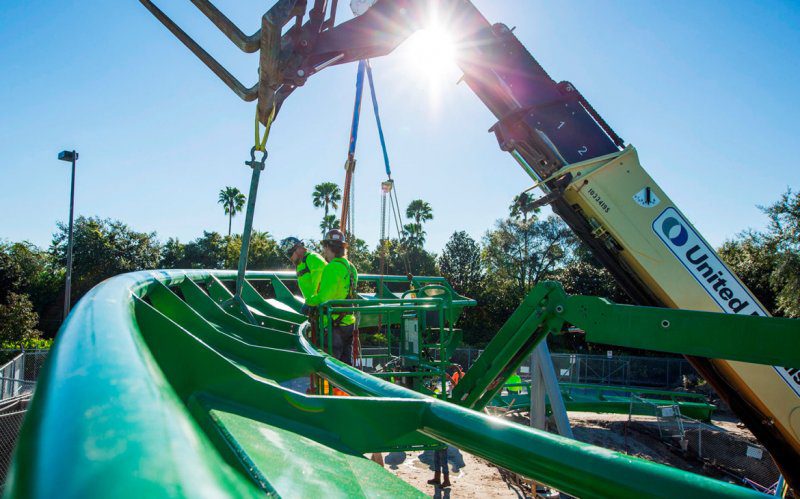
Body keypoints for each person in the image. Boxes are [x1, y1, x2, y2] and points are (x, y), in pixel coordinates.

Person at [305, 229, 359, 365]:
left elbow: (324, 298)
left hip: (334, 325)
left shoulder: (331, 268)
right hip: (348, 322)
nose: (324, 251)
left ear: (329, 247)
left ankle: (331, 386)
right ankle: (345, 387)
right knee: (346, 366)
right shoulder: (351, 268)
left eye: (325, 247)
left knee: (331, 366)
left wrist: (309, 301)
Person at [279, 237, 326, 305]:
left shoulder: (313, 258)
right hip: (316, 307)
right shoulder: (300, 266)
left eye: (290, 254)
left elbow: (320, 285)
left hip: (323, 306)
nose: (290, 258)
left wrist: (311, 304)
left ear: (298, 248)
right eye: (288, 256)